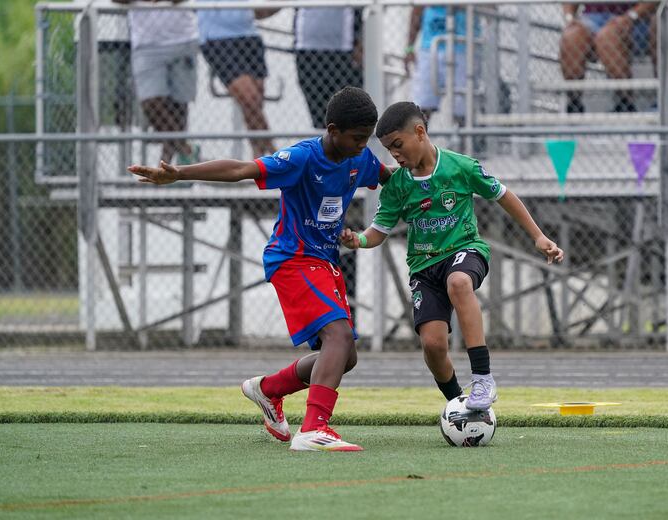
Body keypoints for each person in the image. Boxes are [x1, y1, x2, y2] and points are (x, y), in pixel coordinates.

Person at [128, 87, 391, 452]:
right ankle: (314, 429)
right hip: (293, 259)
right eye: (357, 138)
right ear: (332, 129)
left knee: (345, 356)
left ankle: (268, 389)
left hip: (323, 261)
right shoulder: (302, 157)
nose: (364, 146)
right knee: (340, 338)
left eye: (367, 139)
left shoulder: (359, 159)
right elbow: (240, 169)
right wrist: (180, 173)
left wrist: (434, 172)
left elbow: (391, 178)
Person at [340, 102, 564, 410]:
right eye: (390, 150)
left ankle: (483, 378)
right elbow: (379, 231)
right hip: (423, 267)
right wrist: (358, 240)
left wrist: (538, 236)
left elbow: (503, 195)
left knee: (459, 282)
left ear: (419, 132)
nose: (395, 155)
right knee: (433, 346)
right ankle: (458, 403)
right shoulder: (398, 185)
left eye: (398, 145)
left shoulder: (461, 166)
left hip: (465, 250)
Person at [115, 0, 200, 164]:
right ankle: (186, 149)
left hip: (183, 38)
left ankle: (167, 166)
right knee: (150, 102)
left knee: (179, 105)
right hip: (146, 44)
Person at [198, 0, 278, 156]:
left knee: (254, 105)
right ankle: (278, 156)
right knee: (250, 99)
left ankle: (259, 160)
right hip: (217, 37)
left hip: (249, 34)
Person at [560, 3, 656, 113]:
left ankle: (625, 103)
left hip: (633, 19)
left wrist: (631, 16)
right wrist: (570, 19)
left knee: (607, 37)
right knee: (572, 36)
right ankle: (574, 105)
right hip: (592, 18)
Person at [404, 6, 476, 124]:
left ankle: (465, 140)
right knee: (423, 105)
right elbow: (417, 10)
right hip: (430, 49)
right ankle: (418, 140)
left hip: (463, 48)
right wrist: (409, 48)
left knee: (463, 108)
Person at [294, 7, 363, 129]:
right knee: (320, 118)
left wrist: (359, 40)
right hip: (308, 52)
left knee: (349, 117)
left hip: (344, 53)